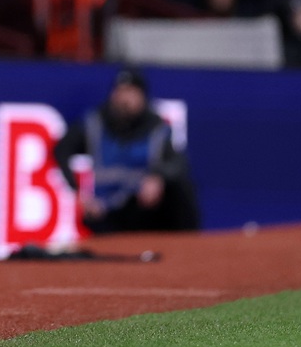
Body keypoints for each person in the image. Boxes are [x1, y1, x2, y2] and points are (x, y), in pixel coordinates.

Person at [53, 68, 200, 234]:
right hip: (108, 209)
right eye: (120, 92)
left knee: (181, 188)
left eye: (131, 93)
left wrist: (158, 176)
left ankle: (189, 244)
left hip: (142, 206)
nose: (124, 99)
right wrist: (78, 191)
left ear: (142, 97)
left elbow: (178, 162)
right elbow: (62, 149)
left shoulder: (155, 127)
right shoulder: (95, 124)